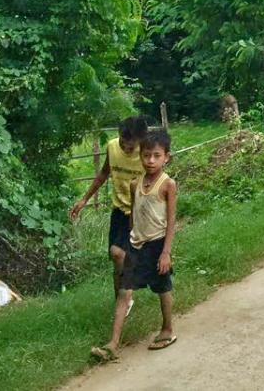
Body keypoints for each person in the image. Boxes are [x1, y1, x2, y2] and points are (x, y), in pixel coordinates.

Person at [93, 126, 178, 361]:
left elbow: (171, 221)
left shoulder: (167, 184)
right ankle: (112, 344)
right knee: (124, 291)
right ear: (140, 156)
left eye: (156, 156)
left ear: (166, 157)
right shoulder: (134, 184)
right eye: (146, 155)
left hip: (157, 245)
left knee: (163, 288)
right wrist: (130, 241)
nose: (150, 161)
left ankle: (167, 329)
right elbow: (133, 215)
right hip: (136, 245)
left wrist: (166, 253)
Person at [70, 115, 148, 300]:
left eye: (131, 147)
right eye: (123, 142)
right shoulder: (112, 147)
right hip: (120, 211)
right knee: (116, 257)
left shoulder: (148, 155)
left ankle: (126, 297)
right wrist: (84, 199)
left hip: (142, 214)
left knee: (125, 258)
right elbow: (104, 172)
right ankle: (121, 302)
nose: (125, 149)